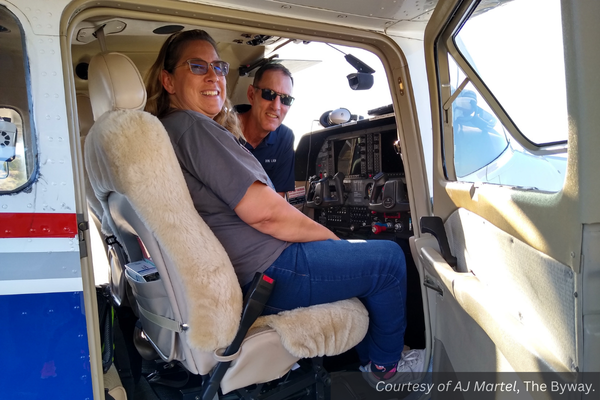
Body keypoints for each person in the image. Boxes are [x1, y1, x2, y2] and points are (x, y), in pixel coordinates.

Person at [145, 29, 425, 385]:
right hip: (271, 269)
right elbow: (266, 212)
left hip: (252, 268)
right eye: (197, 66)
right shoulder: (193, 127)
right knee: (389, 259)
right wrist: (330, 240)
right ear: (168, 80)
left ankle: (369, 359)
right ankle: (386, 369)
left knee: (366, 259)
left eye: (218, 67)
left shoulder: (173, 128)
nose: (214, 76)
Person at [236, 63, 296, 197]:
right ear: (251, 95)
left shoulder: (285, 138)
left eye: (286, 99)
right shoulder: (222, 128)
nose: (276, 107)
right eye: (269, 94)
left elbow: (277, 201)